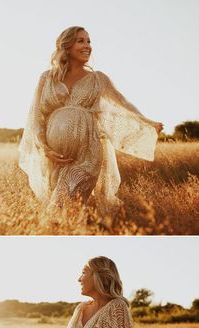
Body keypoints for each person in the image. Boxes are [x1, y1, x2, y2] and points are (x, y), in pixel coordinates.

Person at [19, 26, 163, 215]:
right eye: (81, 41)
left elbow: (123, 103)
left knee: (58, 207)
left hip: (88, 153)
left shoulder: (98, 79)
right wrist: (45, 148)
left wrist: (147, 122)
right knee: (68, 210)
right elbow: (36, 117)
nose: (88, 45)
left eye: (89, 41)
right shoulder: (47, 78)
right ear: (66, 46)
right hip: (55, 157)